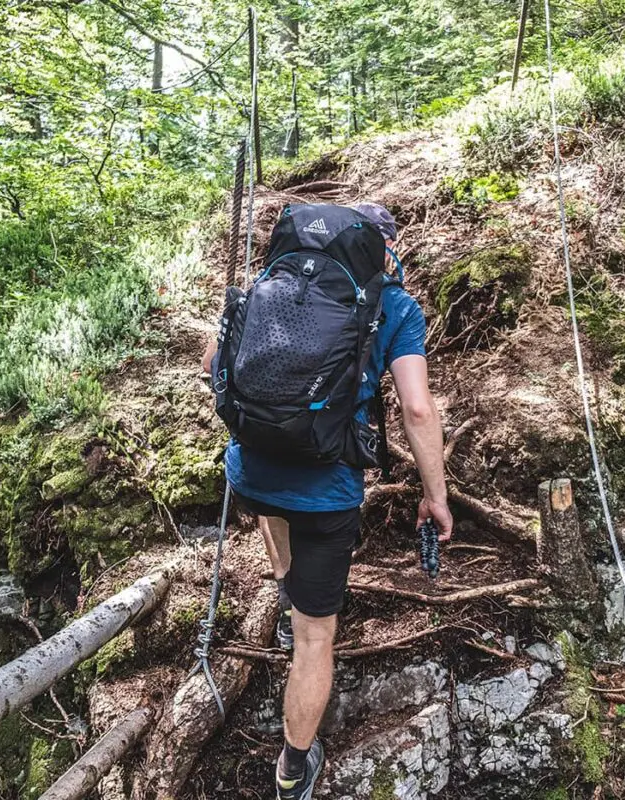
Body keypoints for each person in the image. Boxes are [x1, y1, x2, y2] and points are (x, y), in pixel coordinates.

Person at [202, 202, 453, 800]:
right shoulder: (394, 308)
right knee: (317, 636)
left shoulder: (270, 284)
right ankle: (292, 769)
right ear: (382, 248)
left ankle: (286, 590)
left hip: (252, 470)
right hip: (327, 490)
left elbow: (215, 367)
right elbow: (418, 409)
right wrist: (435, 496)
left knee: (274, 507)